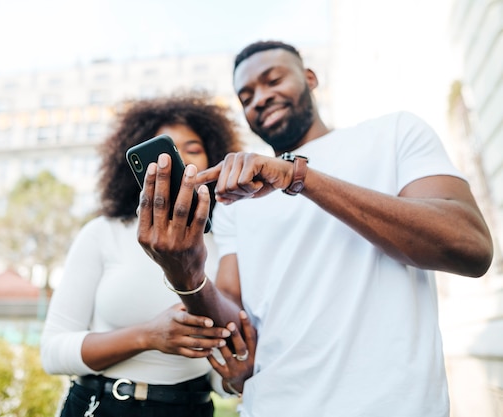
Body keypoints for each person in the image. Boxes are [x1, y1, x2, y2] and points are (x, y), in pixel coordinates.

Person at [136, 40, 494, 416]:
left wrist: (298, 176)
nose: (259, 98)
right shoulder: (234, 200)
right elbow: (234, 324)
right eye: (246, 96)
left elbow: (470, 246)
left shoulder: (394, 133)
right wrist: (185, 270)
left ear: (310, 78)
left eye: (272, 80)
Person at [40, 94, 248, 417]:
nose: (181, 161)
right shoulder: (103, 232)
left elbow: (224, 375)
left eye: (193, 149)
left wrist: (235, 380)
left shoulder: (227, 243)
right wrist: (148, 336)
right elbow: (53, 352)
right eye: (167, 151)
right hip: (102, 404)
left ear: (214, 161)